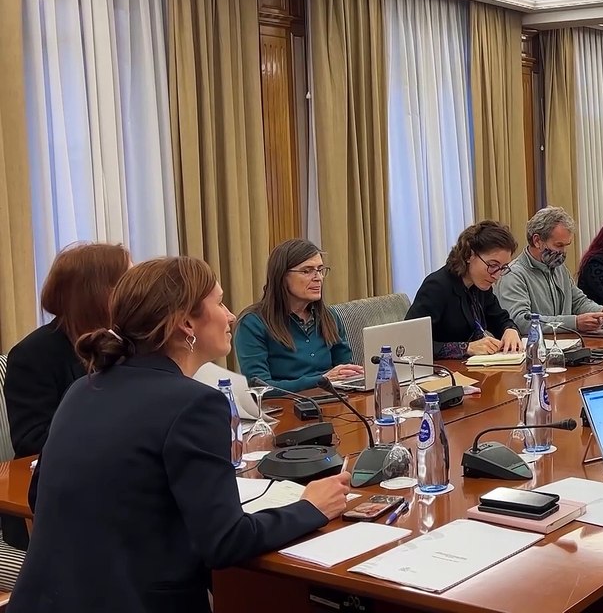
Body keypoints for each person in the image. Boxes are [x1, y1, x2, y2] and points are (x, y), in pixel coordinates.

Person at [8, 257, 351, 613]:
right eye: (219, 303)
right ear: (186, 323)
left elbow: (40, 497)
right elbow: (224, 542)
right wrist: (310, 507)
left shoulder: (83, 389)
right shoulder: (194, 404)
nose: (231, 315)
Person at [3, 243, 131, 550]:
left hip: (119, 487)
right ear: (101, 293)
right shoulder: (33, 355)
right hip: (52, 509)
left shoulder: (123, 343)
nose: (136, 292)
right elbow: (32, 441)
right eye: (127, 283)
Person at [233, 239, 362, 392]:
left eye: (320, 270)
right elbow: (260, 387)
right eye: (307, 271)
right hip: (286, 408)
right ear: (282, 276)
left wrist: (357, 374)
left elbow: (345, 369)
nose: (318, 278)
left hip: (335, 402)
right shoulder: (252, 323)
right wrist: (320, 380)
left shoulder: (329, 316)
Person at [404, 221, 523, 359]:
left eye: (503, 268)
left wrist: (510, 330)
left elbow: (500, 319)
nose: (496, 275)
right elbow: (411, 344)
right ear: (469, 255)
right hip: (440, 373)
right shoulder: (436, 287)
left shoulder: (481, 285)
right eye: (492, 265)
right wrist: (467, 348)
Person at [495, 207, 603, 335]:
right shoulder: (514, 274)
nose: (563, 251)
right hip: (534, 350)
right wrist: (574, 323)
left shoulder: (559, 268)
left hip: (566, 345)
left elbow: (578, 301)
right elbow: (520, 321)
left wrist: (602, 313)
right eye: (559, 245)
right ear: (537, 241)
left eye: (566, 245)